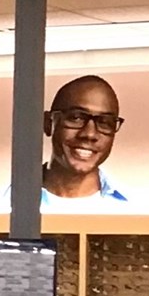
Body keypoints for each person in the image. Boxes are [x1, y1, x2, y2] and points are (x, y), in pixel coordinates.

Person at [42, 75, 130, 204]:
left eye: (104, 122)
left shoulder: (133, 208)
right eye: (76, 118)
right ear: (48, 123)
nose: (89, 134)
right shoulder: (10, 202)